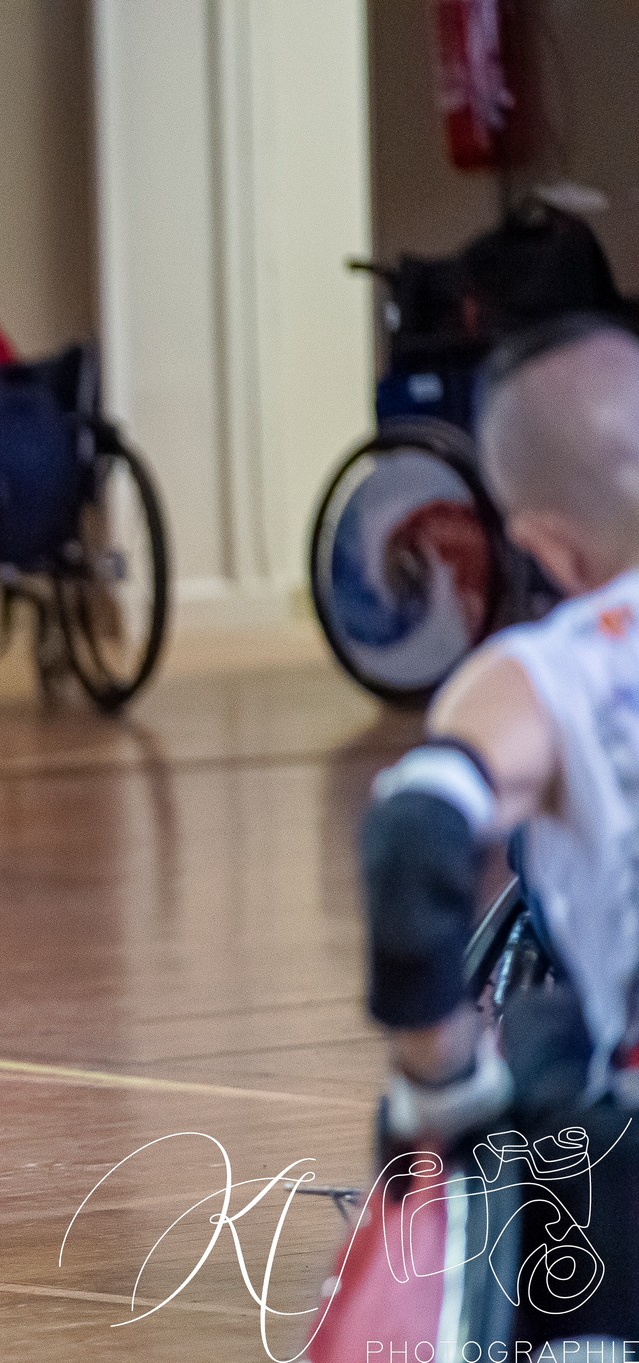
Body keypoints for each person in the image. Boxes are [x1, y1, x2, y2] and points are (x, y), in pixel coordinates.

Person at [360, 316, 639, 1344]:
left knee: (542, 1094)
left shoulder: (547, 674)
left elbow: (412, 844)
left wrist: (437, 1080)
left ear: (540, 544)